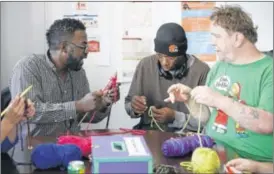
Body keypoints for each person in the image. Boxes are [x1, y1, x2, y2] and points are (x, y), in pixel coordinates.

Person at [165, 5, 273, 162]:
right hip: (214, 156)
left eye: (217, 36)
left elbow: (267, 123)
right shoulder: (219, 67)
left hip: (254, 163)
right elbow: (207, 117)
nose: (212, 42)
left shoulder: (269, 70)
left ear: (237, 38)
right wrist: (190, 98)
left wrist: (219, 100)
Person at [10, 18, 120, 137]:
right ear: (64, 47)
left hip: (72, 148)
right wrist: (78, 105)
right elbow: (30, 113)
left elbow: (86, 115)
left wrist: (103, 103)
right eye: (83, 46)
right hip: (38, 149)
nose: (87, 52)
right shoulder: (28, 67)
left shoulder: (78, 72)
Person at [125, 23, 210, 132]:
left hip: (184, 138)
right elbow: (128, 105)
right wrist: (134, 107)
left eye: (171, 57)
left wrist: (175, 117)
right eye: (160, 55)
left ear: (182, 54)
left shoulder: (201, 71)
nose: (164, 63)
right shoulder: (145, 65)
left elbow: (207, 122)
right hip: (150, 134)